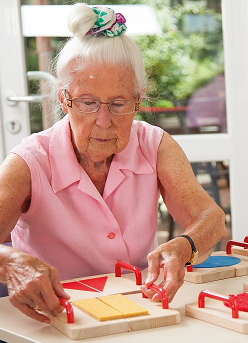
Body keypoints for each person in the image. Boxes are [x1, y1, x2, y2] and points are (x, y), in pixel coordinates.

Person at [0, 3, 226, 324]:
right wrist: (9, 261)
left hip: (138, 311)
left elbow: (212, 218)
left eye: (119, 103)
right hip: (58, 319)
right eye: (88, 103)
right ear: (65, 99)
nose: (104, 121)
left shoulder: (154, 144)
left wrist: (184, 246)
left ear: (138, 100)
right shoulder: (29, 161)